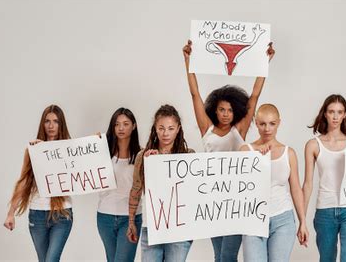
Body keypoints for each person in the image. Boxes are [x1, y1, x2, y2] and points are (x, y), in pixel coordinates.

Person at [182, 40, 275, 262]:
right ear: (215, 110)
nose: (225, 114)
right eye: (221, 109)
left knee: (228, 255)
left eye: (230, 110)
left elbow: (254, 97)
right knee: (219, 255)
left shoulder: (238, 131)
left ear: (236, 112)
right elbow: (195, 95)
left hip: (235, 199)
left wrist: (265, 62)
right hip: (212, 199)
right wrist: (188, 62)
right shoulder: (208, 129)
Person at [3, 104, 73, 262]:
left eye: (56, 121)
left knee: (51, 260)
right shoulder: (33, 149)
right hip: (38, 214)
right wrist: (10, 213)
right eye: (47, 121)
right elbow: (23, 181)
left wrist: (97, 143)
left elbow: (84, 170)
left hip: (62, 214)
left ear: (61, 124)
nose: (51, 125)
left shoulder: (70, 149)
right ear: (42, 123)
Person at [240, 104, 308, 261]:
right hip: (254, 220)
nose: (267, 129)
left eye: (272, 123)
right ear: (256, 123)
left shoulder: (288, 153)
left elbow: (296, 188)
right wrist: (257, 156)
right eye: (262, 124)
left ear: (278, 123)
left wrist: (302, 221)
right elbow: (240, 188)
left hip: (283, 219)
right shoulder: (246, 150)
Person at [127, 104, 193, 262]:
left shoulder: (189, 156)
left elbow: (192, 192)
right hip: (152, 227)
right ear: (155, 128)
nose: (165, 133)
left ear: (178, 129)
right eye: (161, 128)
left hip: (179, 230)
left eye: (170, 128)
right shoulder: (144, 156)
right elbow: (136, 189)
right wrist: (131, 221)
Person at [302, 94, 346, 262]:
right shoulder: (313, 145)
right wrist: (302, 219)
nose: (335, 116)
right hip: (325, 210)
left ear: (345, 115)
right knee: (326, 259)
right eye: (331, 112)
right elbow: (307, 184)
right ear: (325, 114)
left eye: (339, 112)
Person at [97, 107, 142, 261]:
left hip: (130, 218)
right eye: (117, 124)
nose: (121, 128)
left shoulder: (141, 155)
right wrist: (91, 146)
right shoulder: (103, 153)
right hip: (104, 216)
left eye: (126, 124)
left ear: (134, 126)